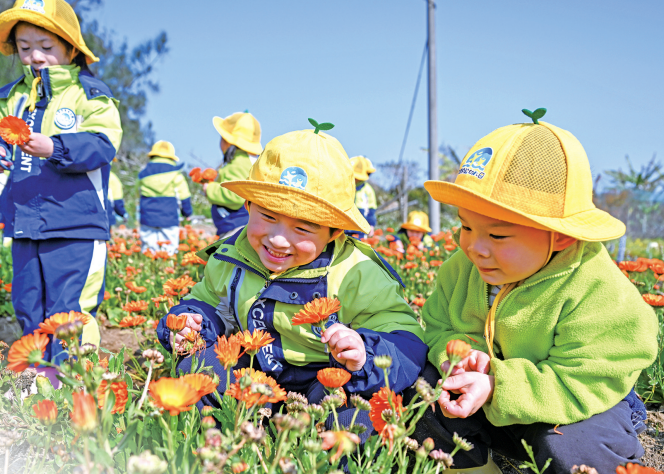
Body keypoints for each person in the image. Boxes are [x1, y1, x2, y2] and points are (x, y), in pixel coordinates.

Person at [410, 110, 658, 472]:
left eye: (497, 234)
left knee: (576, 450)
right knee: (422, 394)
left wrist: (498, 386)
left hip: (575, 405)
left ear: (561, 235)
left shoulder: (596, 289)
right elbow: (436, 324)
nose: (474, 247)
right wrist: (462, 354)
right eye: (465, 225)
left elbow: (586, 379)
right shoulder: (463, 268)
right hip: (486, 401)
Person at [156, 121, 427, 432]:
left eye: (302, 228)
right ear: (248, 205)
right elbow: (207, 300)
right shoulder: (230, 254)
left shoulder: (357, 271)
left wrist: (366, 354)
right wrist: (190, 321)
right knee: (198, 367)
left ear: (334, 231)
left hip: (326, 378)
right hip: (252, 372)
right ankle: (226, 444)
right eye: (267, 217)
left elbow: (407, 340)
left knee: (358, 415)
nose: (279, 240)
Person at [0, 0, 122, 375]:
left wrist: (57, 147)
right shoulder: (9, 98)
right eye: (24, 47)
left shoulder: (90, 95)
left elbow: (103, 143)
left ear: (70, 48)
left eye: (46, 47)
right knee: (28, 302)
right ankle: (36, 380)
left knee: (69, 310)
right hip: (25, 223)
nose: (35, 56)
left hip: (75, 224)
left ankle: (74, 382)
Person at [204, 111, 262, 238]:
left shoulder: (238, 162)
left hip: (235, 226)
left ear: (227, 140)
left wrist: (210, 189)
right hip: (243, 224)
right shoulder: (251, 162)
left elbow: (235, 195)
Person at [138, 140, 192, 254]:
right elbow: (184, 196)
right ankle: (168, 270)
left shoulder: (143, 175)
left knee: (148, 250)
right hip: (169, 219)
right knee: (169, 250)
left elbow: (138, 194)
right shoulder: (176, 175)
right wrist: (187, 213)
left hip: (148, 218)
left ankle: (149, 269)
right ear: (171, 158)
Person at [349, 155, 377, 239]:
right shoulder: (344, 187)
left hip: (360, 227)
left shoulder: (368, 190)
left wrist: (371, 225)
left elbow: (371, 210)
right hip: (343, 227)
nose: (355, 180)